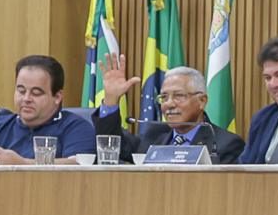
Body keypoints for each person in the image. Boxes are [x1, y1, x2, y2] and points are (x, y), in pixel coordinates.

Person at [92, 55, 245, 164]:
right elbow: (113, 143)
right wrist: (111, 99)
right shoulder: (155, 134)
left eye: (178, 96)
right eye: (164, 97)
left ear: (202, 101)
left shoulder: (226, 144)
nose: (169, 104)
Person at [0, 55, 95, 164]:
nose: (26, 98)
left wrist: (22, 164)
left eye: (36, 93)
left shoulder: (76, 127)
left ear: (57, 97)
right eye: (21, 91)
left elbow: (79, 166)